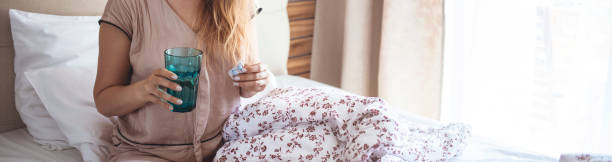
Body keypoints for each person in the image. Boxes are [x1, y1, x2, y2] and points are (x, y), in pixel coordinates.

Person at [93, 0, 268, 161]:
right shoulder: (128, 5)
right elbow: (104, 102)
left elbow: (245, 84)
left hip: (226, 147)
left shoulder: (238, 3)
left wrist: (255, 82)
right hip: (147, 153)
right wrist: (145, 89)